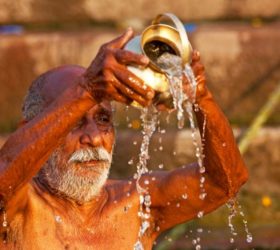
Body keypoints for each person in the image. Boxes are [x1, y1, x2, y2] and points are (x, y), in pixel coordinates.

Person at [0, 28, 248, 250]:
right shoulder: (19, 212)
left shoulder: (138, 205)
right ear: (32, 129)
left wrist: (201, 96)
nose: (94, 138)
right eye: (74, 123)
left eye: (104, 120)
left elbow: (224, 182)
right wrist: (86, 91)